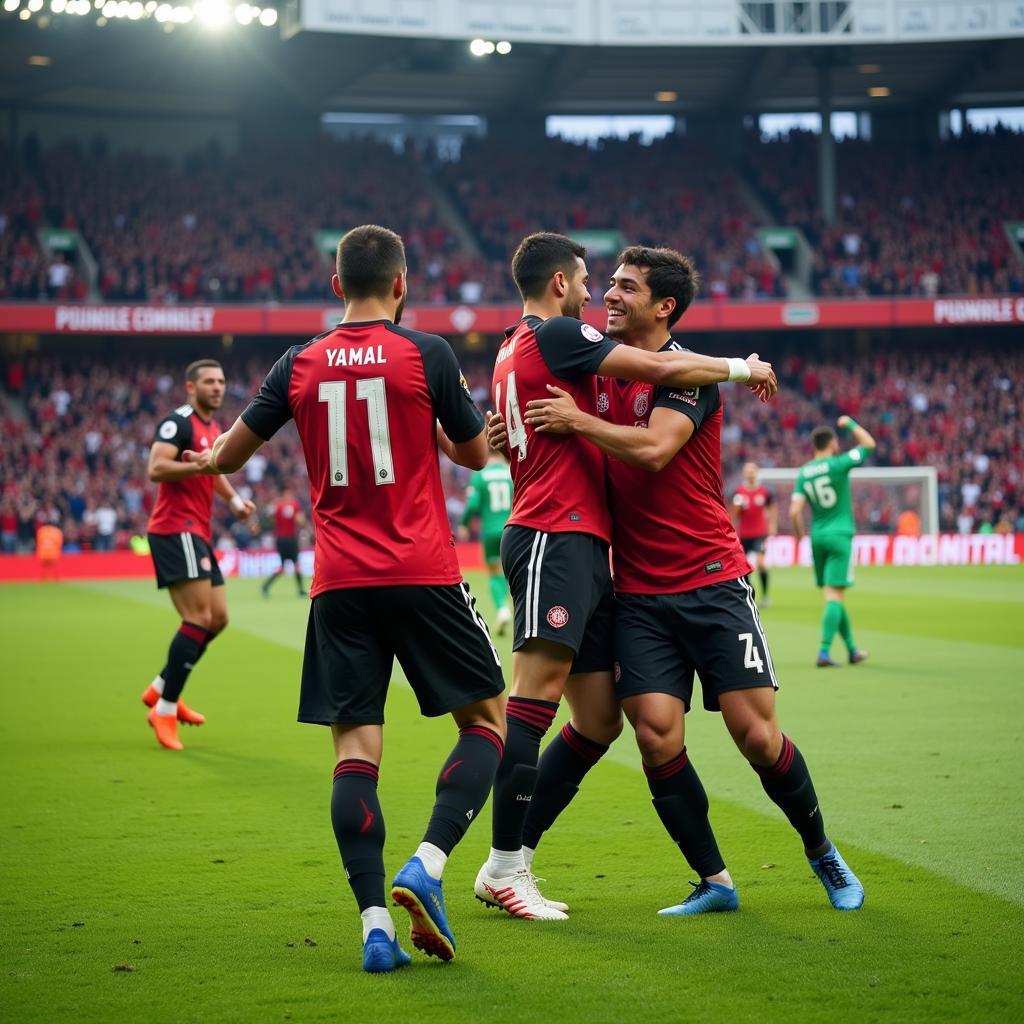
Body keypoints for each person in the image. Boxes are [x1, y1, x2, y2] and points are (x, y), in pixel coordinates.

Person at [183, 225, 507, 973]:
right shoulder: (426, 353)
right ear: (401, 285)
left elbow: (227, 455)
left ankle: (372, 928)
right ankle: (427, 860)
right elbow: (473, 452)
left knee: (355, 752)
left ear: (337, 287)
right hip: (423, 570)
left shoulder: (295, 363)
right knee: (487, 720)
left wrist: (192, 460)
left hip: (339, 584)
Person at [522, 245, 864, 914]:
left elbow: (652, 449)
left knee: (757, 736)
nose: (609, 297)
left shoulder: (689, 376)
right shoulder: (602, 368)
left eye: (626, 288)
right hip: (640, 595)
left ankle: (821, 848)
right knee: (654, 732)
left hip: (712, 580)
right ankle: (715, 880)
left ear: (664, 306)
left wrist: (578, 421)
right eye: (609, 284)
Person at [476, 232, 777, 921]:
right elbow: (664, 370)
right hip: (556, 530)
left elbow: (517, 428)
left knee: (598, 718)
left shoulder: (515, 346)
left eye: (612, 284)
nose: (595, 293)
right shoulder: (557, 333)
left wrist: (510, 437)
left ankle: (516, 857)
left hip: (583, 543)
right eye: (587, 281)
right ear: (559, 283)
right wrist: (741, 364)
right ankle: (504, 863)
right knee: (535, 694)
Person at [142, 359, 256, 752]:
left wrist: (236, 501)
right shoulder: (180, 422)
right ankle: (166, 709)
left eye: (221, 381)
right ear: (191, 387)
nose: (217, 387)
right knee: (198, 617)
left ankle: (161, 687)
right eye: (209, 381)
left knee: (219, 618)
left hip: (197, 532)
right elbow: (157, 468)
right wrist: (194, 465)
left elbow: (215, 468)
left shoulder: (211, 428)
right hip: (176, 529)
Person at [790, 417, 877, 667]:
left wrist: (799, 537)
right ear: (833, 443)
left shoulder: (804, 472)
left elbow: (794, 511)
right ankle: (824, 652)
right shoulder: (839, 464)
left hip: (818, 537)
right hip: (840, 536)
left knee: (832, 594)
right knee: (835, 596)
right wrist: (850, 424)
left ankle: (851, 649)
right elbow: (869, 443)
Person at [457, 451, 513, 635]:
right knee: (510, 573)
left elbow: (472, 504)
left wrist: (464, 525)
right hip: (512, 529)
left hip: (490, 532)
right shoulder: (512, 471)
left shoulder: (480, 475)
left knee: (494, 571)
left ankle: (502, 609)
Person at [731, 462, 777, 608]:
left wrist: (772, 526)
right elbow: (734, 515)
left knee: (761, 563)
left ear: (757, 473)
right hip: (743, 535)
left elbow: (772, 509)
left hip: (759, 534)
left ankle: (765, 597)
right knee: (743, 567)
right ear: (744, 474)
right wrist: (739, 507)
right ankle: (751, 594)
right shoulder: (739, 493)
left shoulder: (765, 492)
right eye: (747, 471)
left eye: (752, 471)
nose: (750, 473)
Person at [261, 485, 307, 598]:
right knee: (295, 565)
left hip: (280, 539)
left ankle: (266, 586)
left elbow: (270, 520)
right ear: (285, 493)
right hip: (290, 539)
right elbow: (300, 520)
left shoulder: (276, 505)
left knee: (283, 567)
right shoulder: (294, 504)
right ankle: (301, 590)